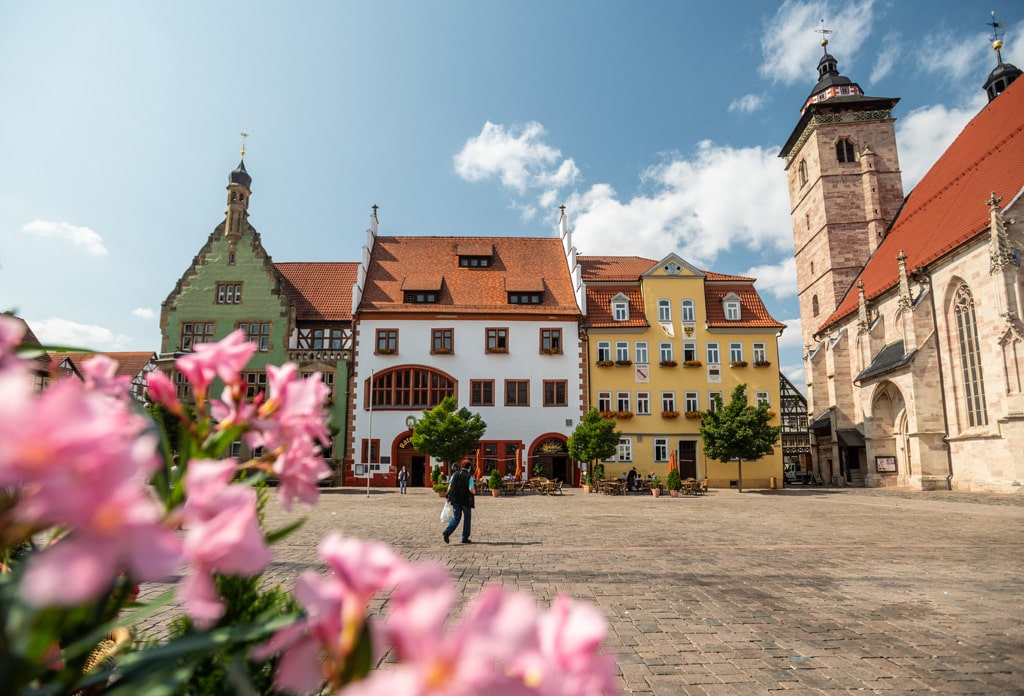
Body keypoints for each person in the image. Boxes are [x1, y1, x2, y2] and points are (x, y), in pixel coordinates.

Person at [443, 460, 475, 544]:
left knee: (456, 518)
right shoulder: (469, 476)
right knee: (467, 518)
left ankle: (447, 531)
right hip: (465, 500)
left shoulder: (455, 474)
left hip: (455, 500)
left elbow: (450, 485)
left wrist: (448, 495)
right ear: (469, 467)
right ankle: (465, 538)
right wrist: (474, 491)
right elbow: (470, 489)